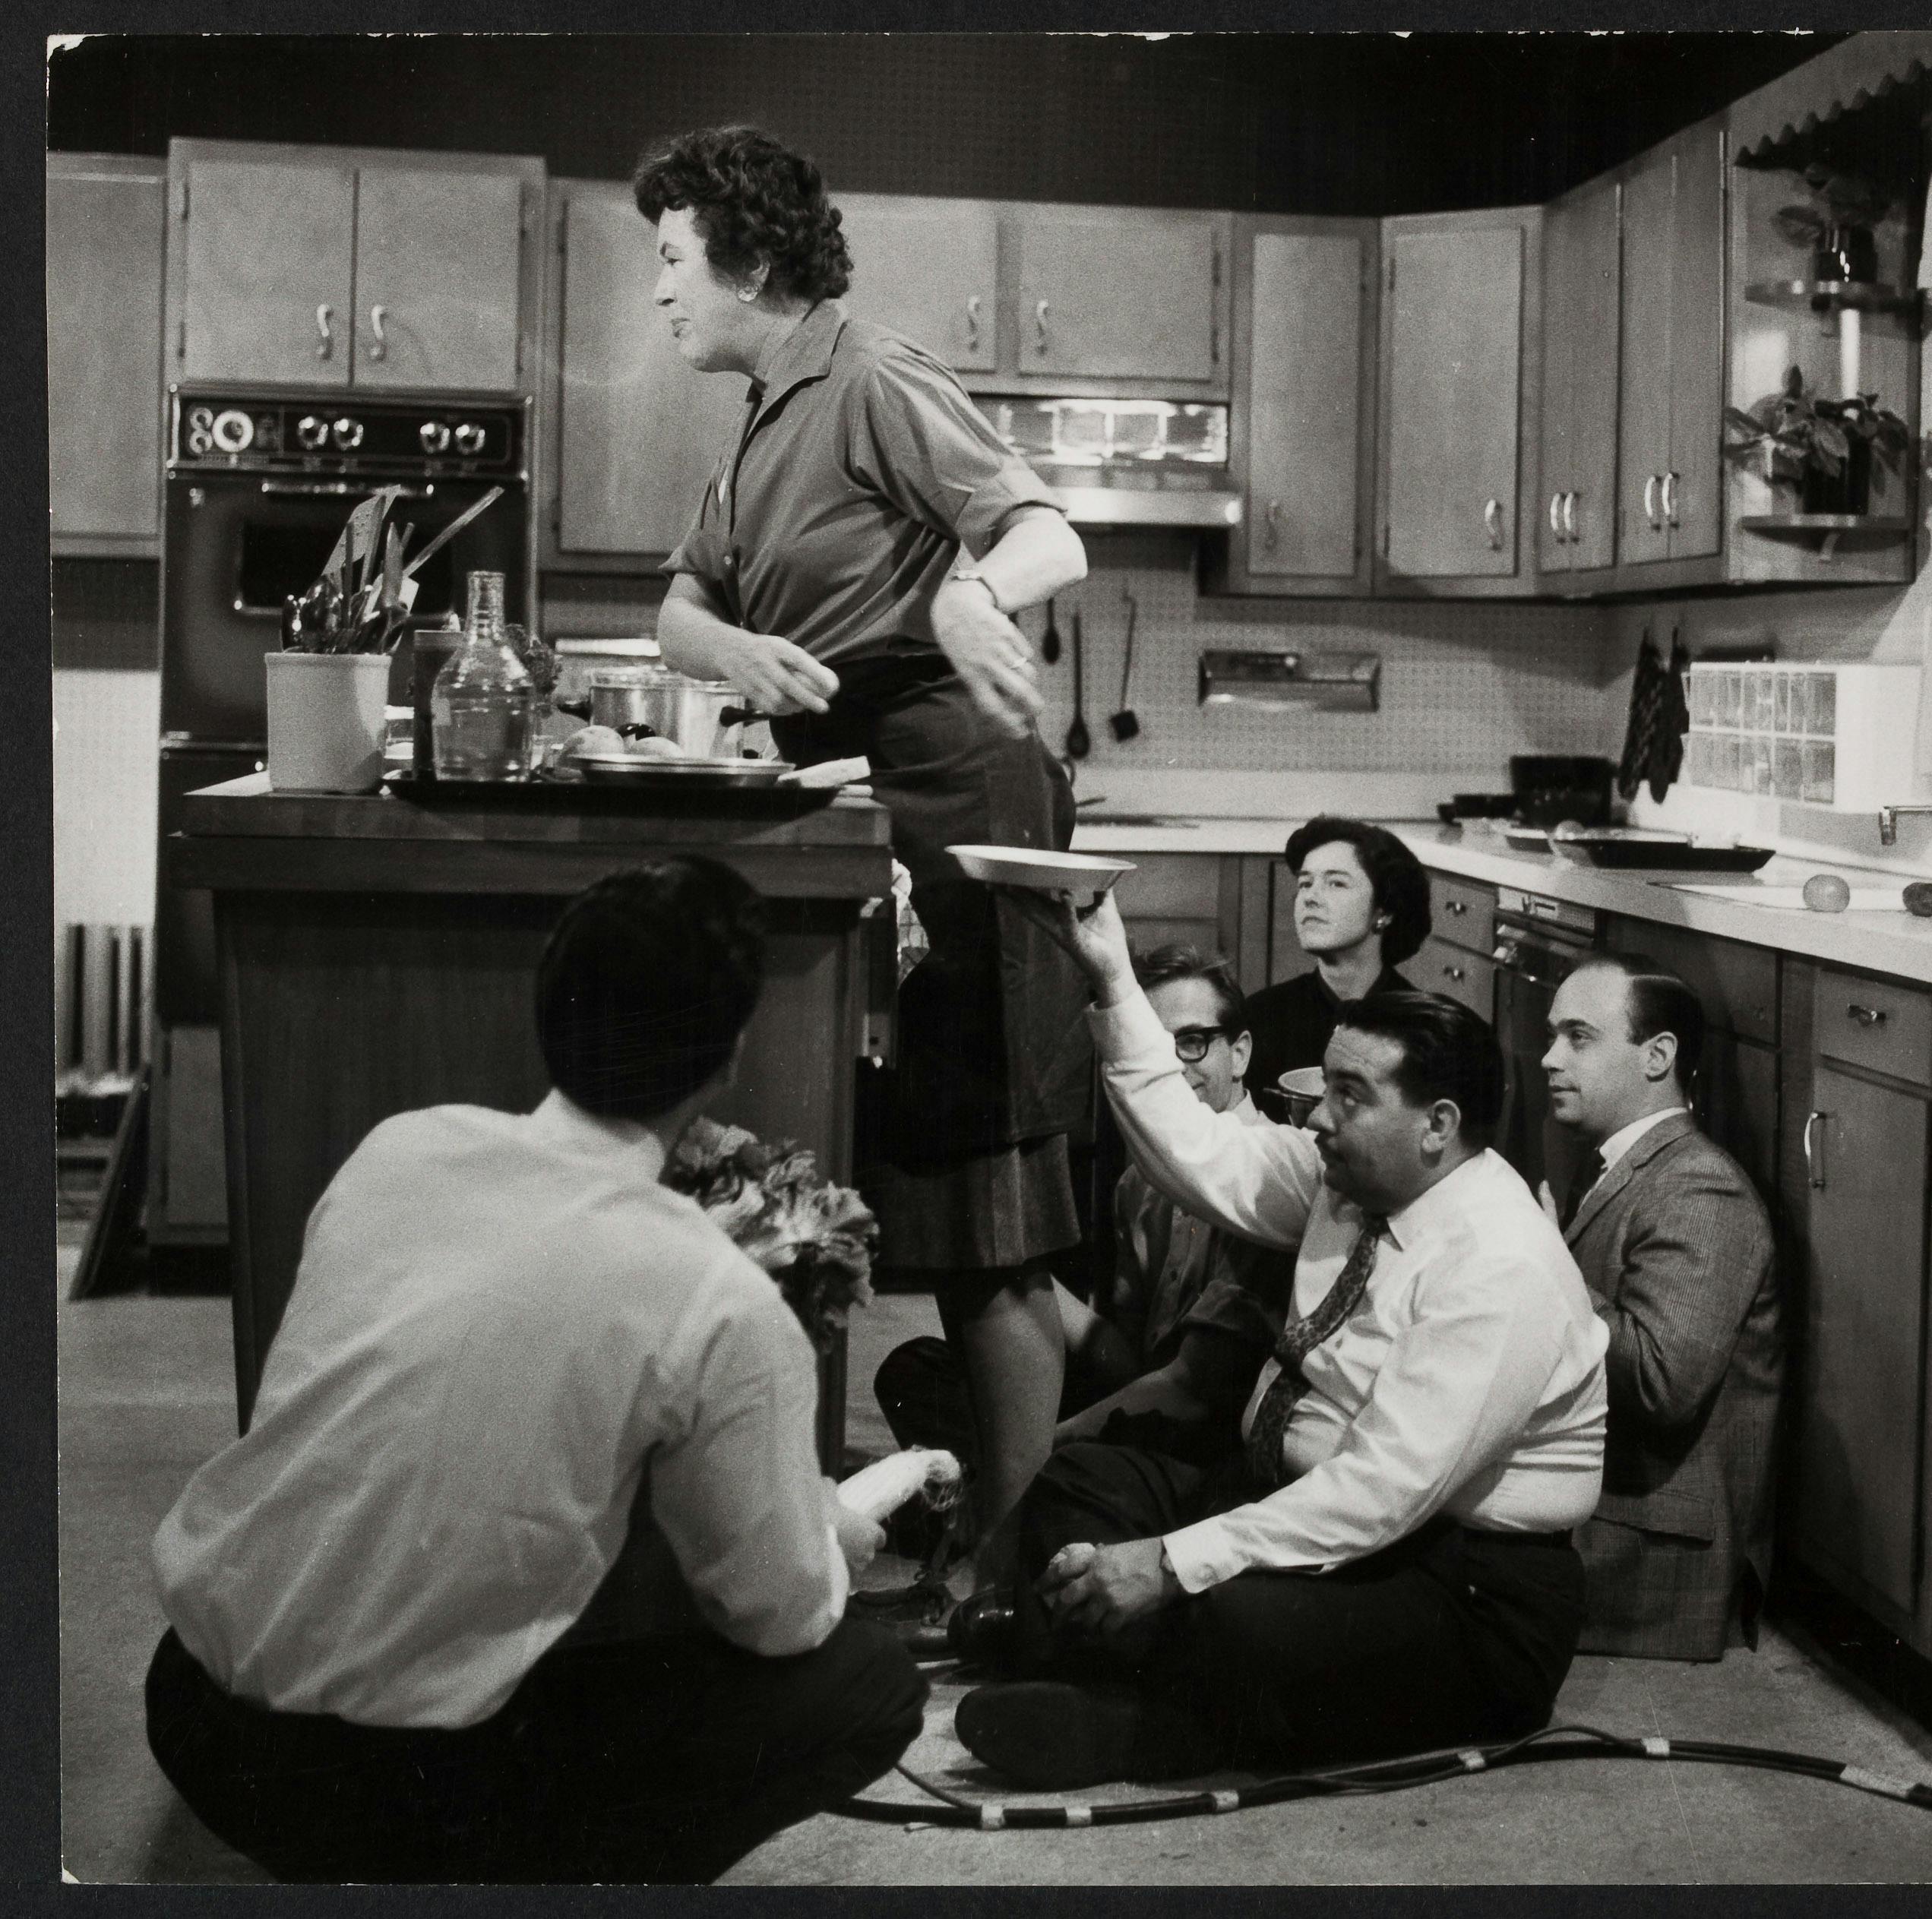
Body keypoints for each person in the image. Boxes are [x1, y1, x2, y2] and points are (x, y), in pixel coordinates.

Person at [143, 858, 925, 1884]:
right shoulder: (718, 1295)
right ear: (728, 1057)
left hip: (188, 1698)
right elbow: (772, 1616)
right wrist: (833, 1540)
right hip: (370, 1785)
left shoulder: (400, 1149)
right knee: (869, 1684)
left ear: (548, 1009)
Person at [634, 127, 1093, 1539]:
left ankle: (1021, 1565)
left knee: (983, 1213)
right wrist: (733, 652)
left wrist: (974, 593)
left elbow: (1048, 535)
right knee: (877, 1177)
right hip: (850, 791)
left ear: (748, 261)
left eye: (673, 259)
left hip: (955, 797)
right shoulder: (763, 415)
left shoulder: (870, 375)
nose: (659, 289)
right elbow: (678, 608)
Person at [948, 889, 1608, 1791]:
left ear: (1438, 1126)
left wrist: (1169, 1563)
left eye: (1349, 1097)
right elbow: (1198, 1152)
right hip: (1304, 1502)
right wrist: (1111, 975)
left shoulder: (1499, 1265)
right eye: (1324, 1087)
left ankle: (1127, 1713)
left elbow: (1379, 1496)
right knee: (1088, 1480)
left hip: (1463, 1586)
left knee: (1234, 1615)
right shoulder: (1353, 1175)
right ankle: (1127, 1664)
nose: (1317, 1117)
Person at [873, 945, 1292, 1475]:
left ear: (1241, 1054)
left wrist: (1037, 1449)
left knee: (1020, 1450)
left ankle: (999, 1492)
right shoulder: (1139, 1181)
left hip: (1201, 1440)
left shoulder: (1267, 1179)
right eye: (1152, 1047)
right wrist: (1016, 1271)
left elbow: (1191, 1391)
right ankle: (996, 1489)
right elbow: (1124, 1357)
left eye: (1192, 1042)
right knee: (916, 1372)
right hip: (1143, 1398)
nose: (1170, 1068)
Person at [1540, 953, 1781, 1661]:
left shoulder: (1701, 1188)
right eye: (1554, 1035)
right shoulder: (1620, 1163)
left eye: (1579, 1037)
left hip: (1648, 1554)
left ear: (1658, 1056)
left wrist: (1544, 1265)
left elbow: (1659, 1384)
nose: (1550, 1058)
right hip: (1604, 1512)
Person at [1241, 817, 1431, 1120]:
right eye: (1305, 883)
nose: (1310, 898)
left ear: (1383, 912)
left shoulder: (1424, 1028)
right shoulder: (1261, 1017)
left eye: (1336, 883)